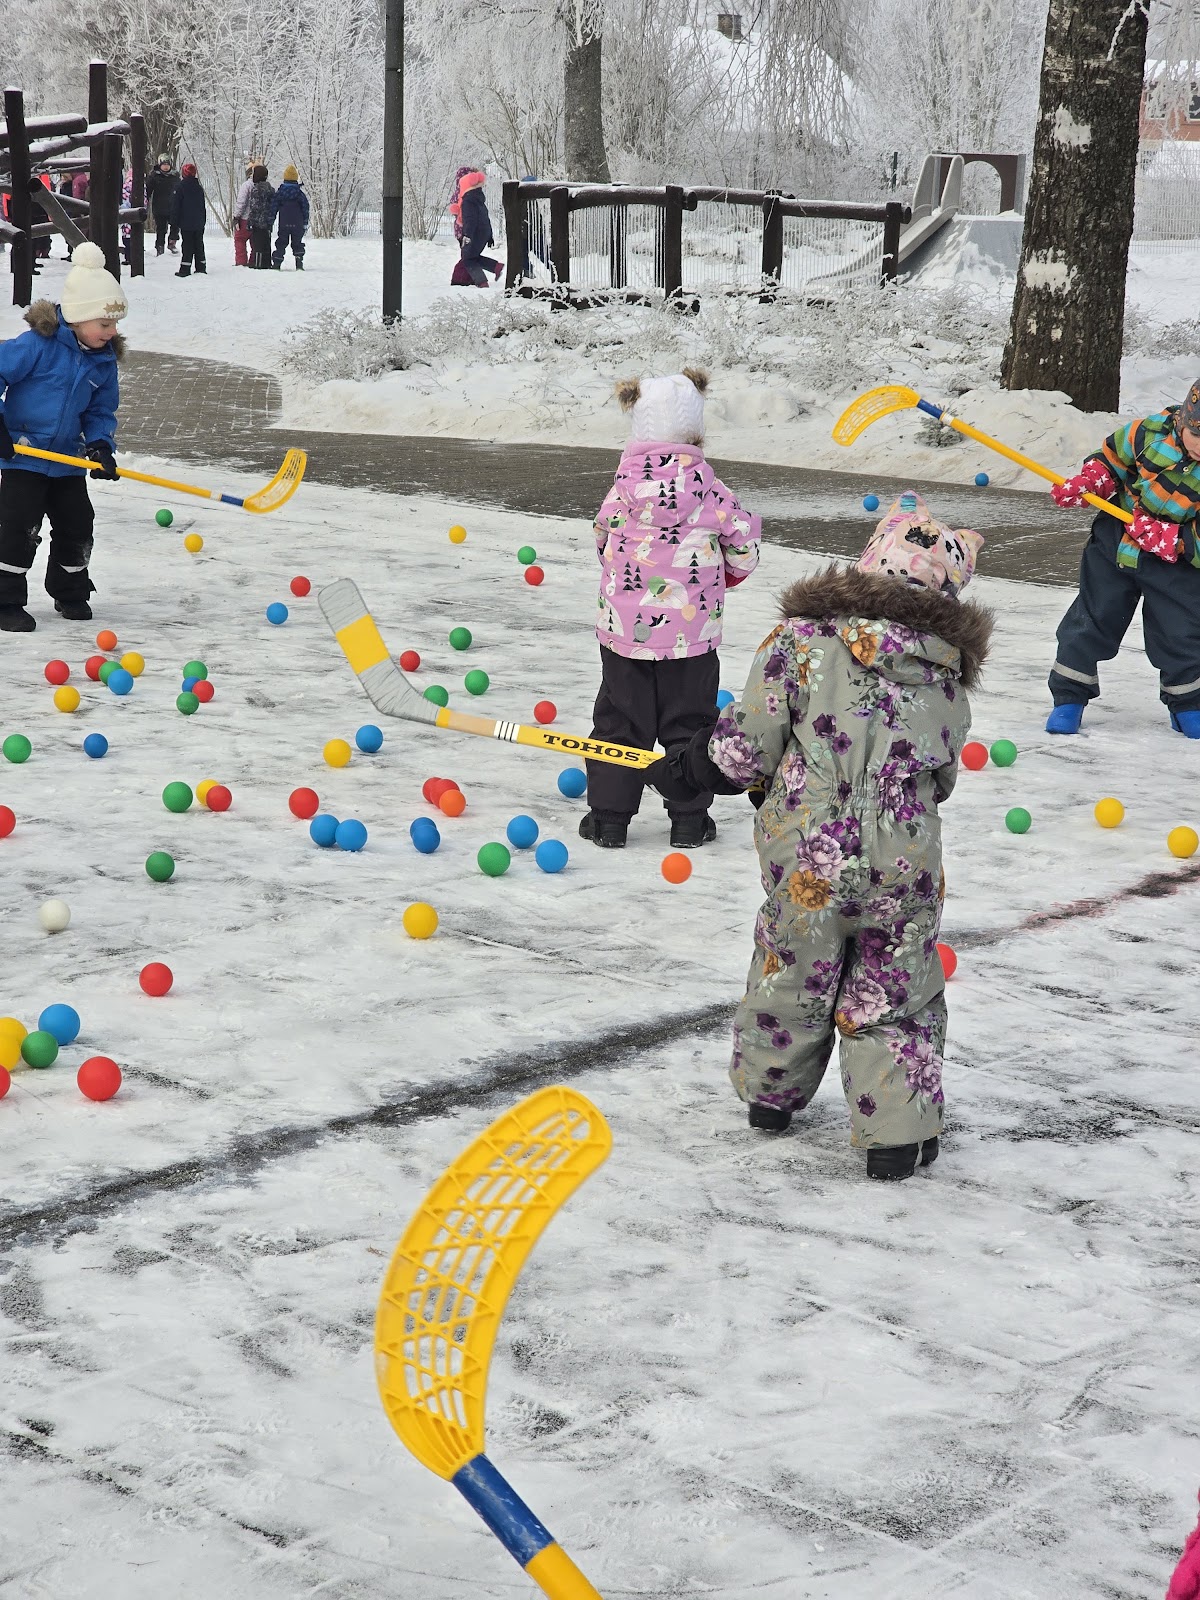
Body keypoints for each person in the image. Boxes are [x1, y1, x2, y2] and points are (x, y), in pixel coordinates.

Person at [643, 492, 991, 1179]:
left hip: (809, 856)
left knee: (792, 971)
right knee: (895, 989)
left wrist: (691, 766)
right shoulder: (947, 677)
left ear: (866, 565)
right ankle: (895, 1138)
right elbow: (942, 778)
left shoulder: (799, 643)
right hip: (904, 861)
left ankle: (770, 1098)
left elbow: (747, 747)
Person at [580, 368, 761, 850]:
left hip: (625, 634)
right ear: (695, 433)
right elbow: (744, 547)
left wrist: (622, 577)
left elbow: (601, 537)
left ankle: (609, 820)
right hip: (692, 637)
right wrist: (726, 575)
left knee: (620, 721)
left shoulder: (622, 488)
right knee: (691, 721)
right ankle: (689, 819)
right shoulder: (713, 491)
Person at [1045, 384, 1200, 737]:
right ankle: (1069, 697)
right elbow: (1111, 460)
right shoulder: (1148, 433)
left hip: (1176, 563)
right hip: (1116, 540)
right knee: (1092, 617)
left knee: (1181, 631)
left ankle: (1188, 703)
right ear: (1183, 419)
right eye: (1196, 435)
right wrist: (1090, 482)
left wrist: (1174, 539)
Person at [0, 241, 126, 632]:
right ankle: (5, 599)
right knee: (19, 527)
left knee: (77, 523)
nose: (112, 332)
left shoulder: (103, 362)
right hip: (23, 455)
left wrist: (101, 445)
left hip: (67, 460)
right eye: (104, 324)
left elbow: (100, 411)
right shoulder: (37, 346)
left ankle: (70, 590)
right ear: (78, 318)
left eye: (115, 324)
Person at [455, 170, 502, 286]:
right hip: (483, 233)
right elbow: (485, 218)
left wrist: (467, 235)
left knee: (468, 259)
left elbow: (470, 220)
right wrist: (489, 236)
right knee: (473, 256)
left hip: (474, 234)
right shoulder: (478, 199)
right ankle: (496, 266)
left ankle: (482, 281)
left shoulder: (467, 201)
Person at [170, 161, 206, 277]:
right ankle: (201, 267)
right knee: (199, 244)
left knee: (187, 245)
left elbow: (176, 207)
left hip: (186, 222)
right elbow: (202, 206)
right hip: (199, 222)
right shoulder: (198, 188)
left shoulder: (180, 187)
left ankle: (185, 269)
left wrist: (174, 223)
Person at [271, 164, 309, 270]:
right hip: (298, 223)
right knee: (297, 243)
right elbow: (305, 208)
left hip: (284, 223)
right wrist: (305, 222)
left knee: (281, 242)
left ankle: (277, 262)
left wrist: (271, 220)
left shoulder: (280, 193)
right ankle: (299, 261)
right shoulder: (300, 194)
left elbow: (273, 207)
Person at [244, 165, 277, 270]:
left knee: (257, 245)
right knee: (266, 243)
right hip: (267, 222)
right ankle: (267, 263)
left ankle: (258, 264)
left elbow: (254, 208)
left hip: (257, 222)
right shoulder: (271, 189)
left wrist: (250, 222)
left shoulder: (256, 190)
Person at [145, 157, 179, 255]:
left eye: (167, 165)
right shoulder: (155, 176)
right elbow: (148, 190)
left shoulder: (175, 176)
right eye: (164, 165)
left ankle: (172, 243)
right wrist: (146, 201)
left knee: (175, 226)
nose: (166, 167)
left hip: (173, 206)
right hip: (159, 207)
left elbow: (180, 189)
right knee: (161, 228)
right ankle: (160, 247)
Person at [232, 160, 257, 267]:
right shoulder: (261, 185)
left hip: (244, 219)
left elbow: (241, 202)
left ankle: (241, 262)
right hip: (256, 220)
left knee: (240, 240)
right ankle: (253, 262)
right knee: (255, 244)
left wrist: (236, 216)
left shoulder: (246, 185)